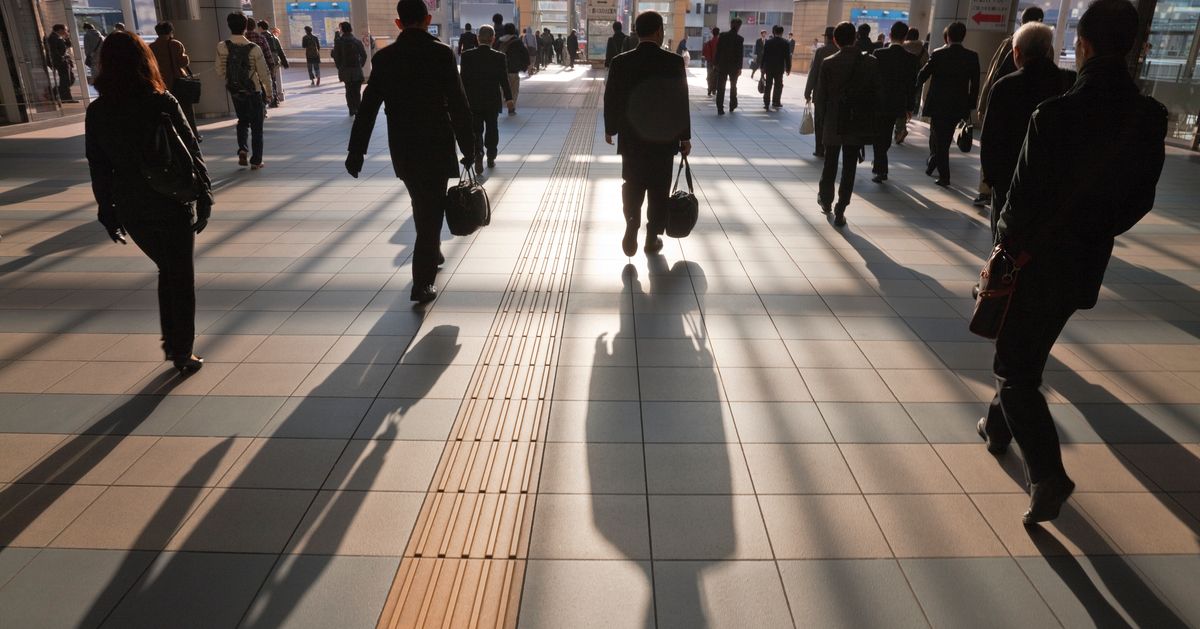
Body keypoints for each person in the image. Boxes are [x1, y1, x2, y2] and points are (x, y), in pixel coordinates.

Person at [982, 0, 1166, 524]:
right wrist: (1096, 229)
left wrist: (1005, 249)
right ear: (1131, 47)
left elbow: (1017, 202)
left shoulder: (1055, 114)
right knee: (1029, 344)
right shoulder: (1149, 118)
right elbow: (1141, 199)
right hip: (1086, 260)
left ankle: (1048, 475)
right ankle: (997, 426)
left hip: (1034, 258)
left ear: (1082, 46)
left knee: (1014, 367)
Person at [86, 31, 212, 373]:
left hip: (132, 206)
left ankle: (173, 344)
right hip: (172, 199)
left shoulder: (97, 112)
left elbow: (98, 166)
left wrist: (106, 210)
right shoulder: (161, 101)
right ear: (145, 61)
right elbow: (191, 151)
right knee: (179, 275)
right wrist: (205, 194)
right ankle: (181, 351)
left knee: (167, 269)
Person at [346, 0, 475, 304]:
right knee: (429, 210)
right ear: (428, 19)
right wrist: (469, 148)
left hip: (403, 147)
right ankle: (422, 283)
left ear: (398, 23)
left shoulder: (386, 58)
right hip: (436, 144)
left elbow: (368, 108)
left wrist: (357, 151)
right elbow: (458, 104)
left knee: (423, 202)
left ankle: (432, 250)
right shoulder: (441, 54)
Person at [604, 11, 691, 257]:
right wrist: (685, 137)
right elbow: (680, 102)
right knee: (658, 189)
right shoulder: (673, 62)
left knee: (632, 183)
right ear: (658, 31)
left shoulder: (621, 61)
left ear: (637, 32)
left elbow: (611, 98)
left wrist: (610, 128)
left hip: (632, 139)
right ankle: (652, 237)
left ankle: (632, 221)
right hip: (664, 141)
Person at [979, 22, 1075, 238]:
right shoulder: (1067, 83)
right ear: (1047, 50)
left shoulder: (1005, 86)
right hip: (1054, 179)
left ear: (1017, 52)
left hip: (1009, 177)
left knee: (1004, 239)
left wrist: (991, 178)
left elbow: (991, 137)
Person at [974, 7, 1046, 207]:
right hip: (1034, 109)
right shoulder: (1047, 47)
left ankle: (986, 189)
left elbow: (993, 74)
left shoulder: (1010, 43)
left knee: (996, 143)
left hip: (1006, 105)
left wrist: (983, 103)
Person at [814, 21, 880, 226]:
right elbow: (876, 95)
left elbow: (821, 97)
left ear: (835, 40)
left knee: (830, 163)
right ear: (854, 38)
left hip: (834, 121)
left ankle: (826, 200)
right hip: (856, 122)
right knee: (850, 166)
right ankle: (841, 207)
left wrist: (822, 124)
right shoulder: (870, 62)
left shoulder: (829, 62)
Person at [916, 21, 979, 186]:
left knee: (940, 141)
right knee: (944, 139)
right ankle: (932, 166)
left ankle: (944, 177)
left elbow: (922, 75)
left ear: (948, 37)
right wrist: (970, 106)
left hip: (938, 105)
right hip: (959, 105)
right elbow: (975, 84)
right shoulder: (972, 56)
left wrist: (915, 89)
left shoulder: (938, 54)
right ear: (963, 36)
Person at [216, 12, 273, 169]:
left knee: (242, 121)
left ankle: (242, 148)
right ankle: (256, 161)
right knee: (257, 127)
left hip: (235, 91)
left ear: (229, 25)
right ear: (245, 26)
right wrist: (269, 93)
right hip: (253, 91)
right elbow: (264, 73)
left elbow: (220, 72)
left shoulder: (222, 46)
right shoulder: (254, 48)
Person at [870, 21, 919, 182]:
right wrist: (910, 107)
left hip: (878, 102)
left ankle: (880, 168)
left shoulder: (879, 53)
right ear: (905, 37)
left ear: (890, 35)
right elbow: (912, 86)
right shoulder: (911, 59)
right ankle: (880, 164)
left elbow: (872, 80)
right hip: (897, 103)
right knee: (886, 134)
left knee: (879, 135)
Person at [461, 24, 513, 173]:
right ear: (493, 39)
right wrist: (509, 99)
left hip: (473, 100)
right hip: (492, 100)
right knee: (492, 128)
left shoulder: (466, 56)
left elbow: (462, 80)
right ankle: (491, 155)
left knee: (476, 130)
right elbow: (504, 79)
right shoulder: (499, 57)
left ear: (478, 39)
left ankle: (478, 153)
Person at [150, 22, 199, 139]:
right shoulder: (175, 44)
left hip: (161, 84)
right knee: (186, 111)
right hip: (178, 82)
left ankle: (171, 136)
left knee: (165, 111)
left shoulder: (151, 47)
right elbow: (183, 62)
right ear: (171, 31)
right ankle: (192, 135)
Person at [805, 26, 836, 156]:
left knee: (819, 122)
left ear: (826, 37)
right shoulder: (840, 51)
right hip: (836, 95)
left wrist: (808, 91)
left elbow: (814, 72)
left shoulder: (820, 52)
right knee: (832, 122)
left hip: (820, 94)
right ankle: (830, 147)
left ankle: (819, 148)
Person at [332, 21, 367, 116]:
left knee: (348, 90)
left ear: (342, 29)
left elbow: (336, 56)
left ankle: (351, 108)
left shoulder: (339, 42)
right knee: (357, 91)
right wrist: (360, 65)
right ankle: (358, 108)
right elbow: (364, 55)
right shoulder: (357, 41)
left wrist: (340, 67)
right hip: (356, 70)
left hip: (346, 71)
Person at [243, 19, 277, 107]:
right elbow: (268, 53)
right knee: (262, 87)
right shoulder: (261, 37)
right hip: (261, 67)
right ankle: (262, 106)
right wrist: (271, 66)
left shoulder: (243, 38)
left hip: (246, 71)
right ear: (254, 27)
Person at [714, 18, 744, 115]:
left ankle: (720, 108)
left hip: (722, 65)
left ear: (731, 25)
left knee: (721, 87)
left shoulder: (722, 36)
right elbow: (740, 55)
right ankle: (732, 105)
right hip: (734, 67)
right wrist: (740, 68)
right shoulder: (740, 39)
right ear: (739, 27)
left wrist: (715, 64)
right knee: (733, 86)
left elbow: (718, 51)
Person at [496, 23, 529, 114]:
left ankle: (501, 104)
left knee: (502, 89)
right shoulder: (517, 42)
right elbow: (525, 54)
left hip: (501, 70)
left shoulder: (499, 41)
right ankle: (511, 107)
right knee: (514, 89)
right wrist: (525, 66)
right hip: (513, 70)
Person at [760, 25, 791, 110]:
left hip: (769, 67)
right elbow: (787, 57)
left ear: (774, 32)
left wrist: (762, 66)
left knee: (768, 85)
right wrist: (788, 68)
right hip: (779, 68)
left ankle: (766, 103)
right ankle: (776, 101)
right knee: (778, 85)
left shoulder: (768, 42)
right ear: (782, 32)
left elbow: (764, 55)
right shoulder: (785, 43)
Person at [259, 20, 288, 104]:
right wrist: (285, 62)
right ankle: (275, 99)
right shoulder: (274, 37)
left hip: (264, 60)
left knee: (264, 80)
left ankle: (267, 99)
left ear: (260, 27)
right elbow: (280, 50)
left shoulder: (260, 37)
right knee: (273, 79)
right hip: (274, 61)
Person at [45, 24, 76, 102]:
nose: (66, 31)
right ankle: (66, 98)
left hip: (64, 61)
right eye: (65, 30)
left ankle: (53, 92)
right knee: (65, 80)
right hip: (61, 62)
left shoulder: (59, 37)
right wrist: (61, 59)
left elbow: (68, 45)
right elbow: (53, 51)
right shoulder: (53, 38)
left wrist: (67, 37)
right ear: (60, 30)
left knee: (70, 79)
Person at [702, 27, 719, 96]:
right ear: (718, 33)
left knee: (709, 75)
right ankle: (714, 90)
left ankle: (709, 89)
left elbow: (704, 53)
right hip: (718, 63)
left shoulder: (708, 43)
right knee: (716, 76)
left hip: (710, 62)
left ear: (712, 33)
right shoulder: (721, 43)